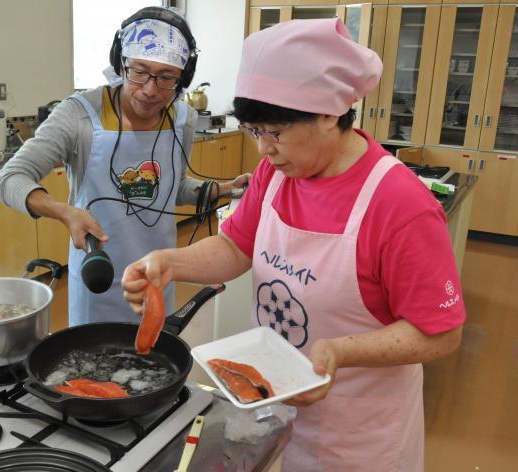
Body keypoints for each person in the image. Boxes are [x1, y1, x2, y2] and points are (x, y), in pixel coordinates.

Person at [122, 18, 465, 471]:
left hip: (358, 436)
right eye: (254, 131)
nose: (263, 149)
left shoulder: (400, 205)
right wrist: (170, 262)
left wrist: (342, 351)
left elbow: (441, 332)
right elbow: (235, 249)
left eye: (275, 131)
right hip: (272, 407)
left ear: (329, 113)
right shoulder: (277, 173)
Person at [0, 6, 248, 326]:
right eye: (140, 71)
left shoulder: (182, 118)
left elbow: (171, 188)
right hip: (99, 277)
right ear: (120, 62)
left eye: (167, 77)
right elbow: (10, 178)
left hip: (156, 275)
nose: (151, 89)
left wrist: (221, 189)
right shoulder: (79, 115)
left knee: (153, 365)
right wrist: (64, 211)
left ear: (183, 77)